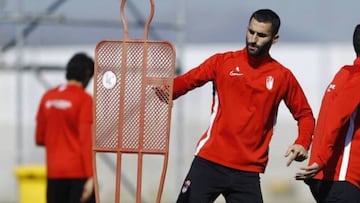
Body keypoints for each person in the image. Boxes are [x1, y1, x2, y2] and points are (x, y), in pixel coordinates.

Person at [166, 8, 315, 203]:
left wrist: (303, 142)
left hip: (247, 172)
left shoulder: (282, 76)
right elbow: (185, 82)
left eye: (261, 35)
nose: (253, 39)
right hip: (210, 161)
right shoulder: (222, 62)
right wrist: (157, 90)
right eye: (251, 32)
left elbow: (305, 115)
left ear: (274, 39)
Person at [295, 24, 360, 202]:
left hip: (331, 177)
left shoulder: (345, 73)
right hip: (341, 177)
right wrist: (321, 159)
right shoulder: (357, 77)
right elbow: (335, 119)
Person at [35, 53, 95, 203]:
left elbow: (39, 138)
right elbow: (85, 140)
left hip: (53, 174)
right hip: (78, 174)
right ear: (87, 74)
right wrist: (90, 176)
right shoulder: (84, 99)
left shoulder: (47, 97)